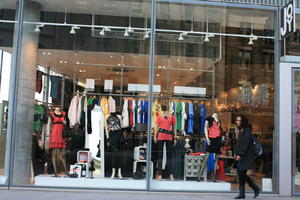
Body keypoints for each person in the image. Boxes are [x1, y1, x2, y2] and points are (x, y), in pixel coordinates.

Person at [234, 115, 260, 199]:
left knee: (241, 173)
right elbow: (239, 144)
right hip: (242, 156)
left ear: (243, 121)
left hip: (246, 156)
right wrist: (236, 153)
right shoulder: (241, 130)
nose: (237, 122)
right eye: (237, 120)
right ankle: (242, 194)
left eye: (239, 120)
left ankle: (255, 188)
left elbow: (244, 145)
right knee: (240, 174)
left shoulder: (247, 131)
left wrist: (239, 154)